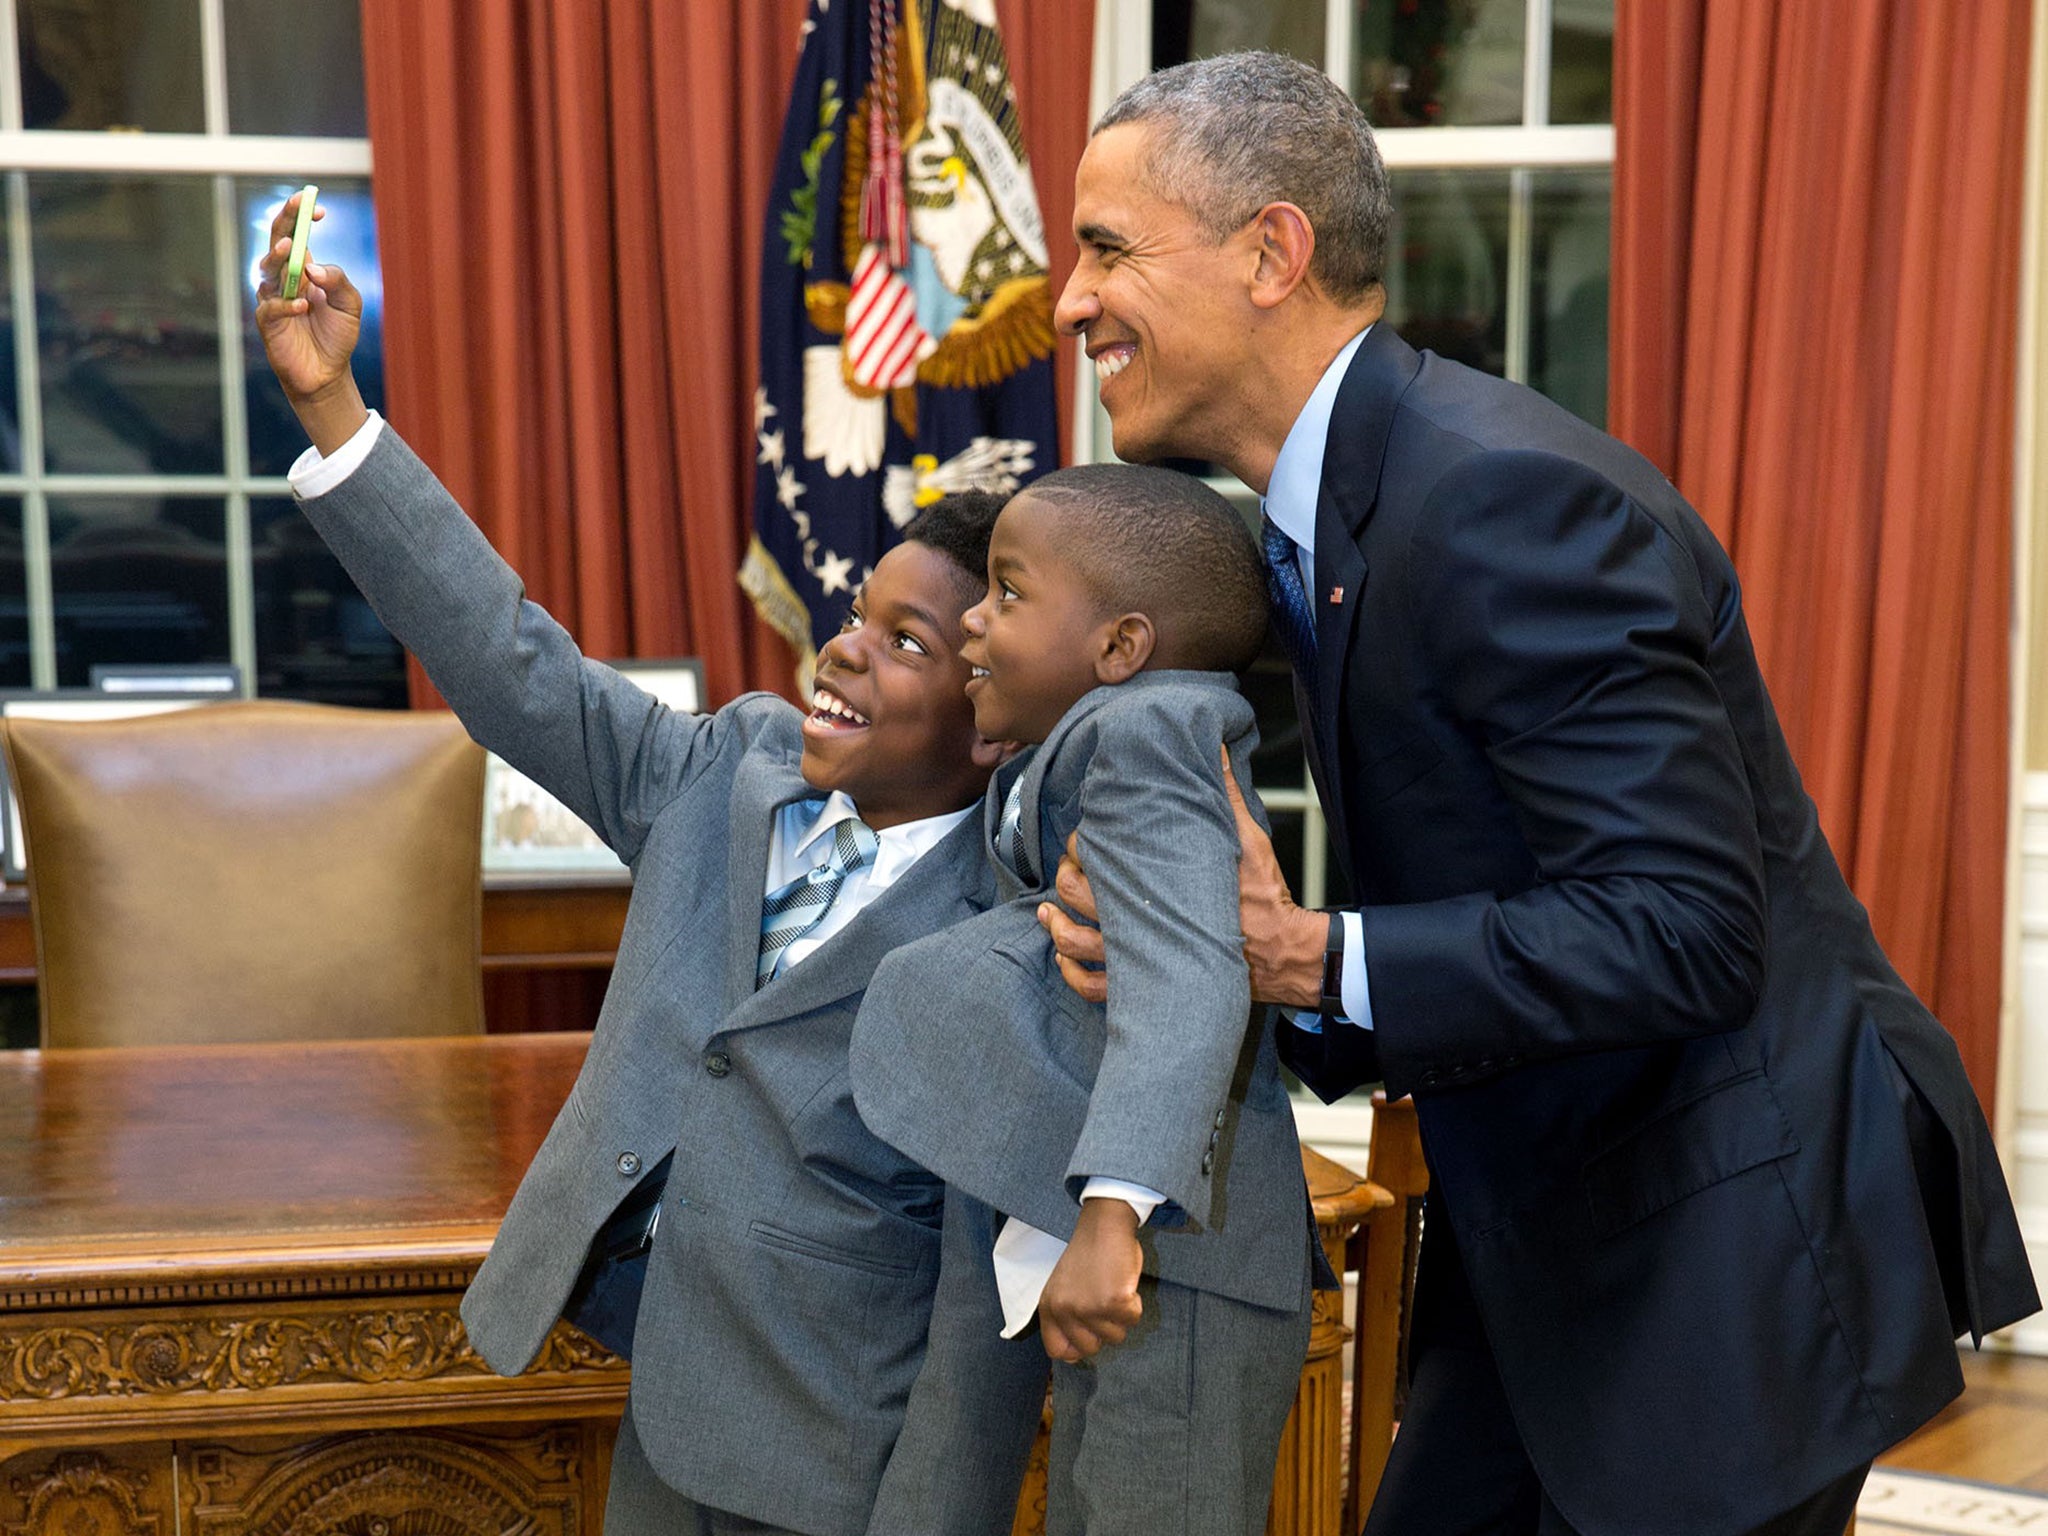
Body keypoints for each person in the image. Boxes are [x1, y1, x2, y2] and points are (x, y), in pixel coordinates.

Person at [1035, 52, 2042, 1536]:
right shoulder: (1337, 514)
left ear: (1272, 252)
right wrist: (1239, 958)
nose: (1069, 299)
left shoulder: (1500, 498)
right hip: (1560, 1221)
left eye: (1108, 247)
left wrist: (1305, 955)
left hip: (1730, 1233)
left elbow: (1689, 929)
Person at [253, 194, 1028, 1536]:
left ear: (996, 715)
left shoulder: (1006, 926)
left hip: (835, 1446)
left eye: (905, 644)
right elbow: (511, 663)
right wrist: (335, 414)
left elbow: (979, 1298)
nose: (843, 649)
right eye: (855, 616)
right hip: (657, 1386)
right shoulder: (732, 766)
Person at [851, 465, 1317, 1536]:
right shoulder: (1069, 744)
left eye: (1007, 595)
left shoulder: (1150, 733)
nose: (973, 617)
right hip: (1059, 1207)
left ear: (1119, 648)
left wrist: (1113, 1213)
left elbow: (1189, 975)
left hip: (1169, 1256)